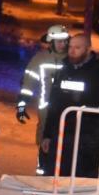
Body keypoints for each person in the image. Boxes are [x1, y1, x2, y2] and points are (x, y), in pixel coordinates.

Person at [40, 33, 99, 178]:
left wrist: (95, 134)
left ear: (88, 49)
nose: (72, 51)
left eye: (77, 47)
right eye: (70, 47)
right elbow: (54, 106)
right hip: (62, 135)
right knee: (55, 178)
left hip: (88, 140)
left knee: (83, 182)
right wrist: (47, 135)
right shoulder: (63, 71)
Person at [16, 24, 69, 174]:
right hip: (47, 110)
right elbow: (28, 83)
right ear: (51, 41)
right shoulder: (40, 59)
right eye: (59, 41)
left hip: (69, 110)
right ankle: (42, 174)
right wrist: (21, 106)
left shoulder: (73, 59)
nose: (63, 44)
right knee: (45, 143)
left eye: (65, 41)